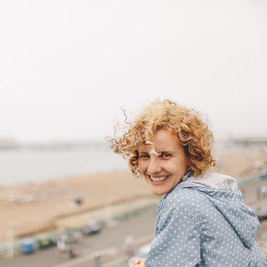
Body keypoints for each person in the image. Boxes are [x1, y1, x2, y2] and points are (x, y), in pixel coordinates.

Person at [109, 99, 267, 266]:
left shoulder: (182, 203)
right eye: (145, 156)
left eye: (165, 155)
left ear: (190, 156)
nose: (153, 168)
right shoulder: (215, 187)